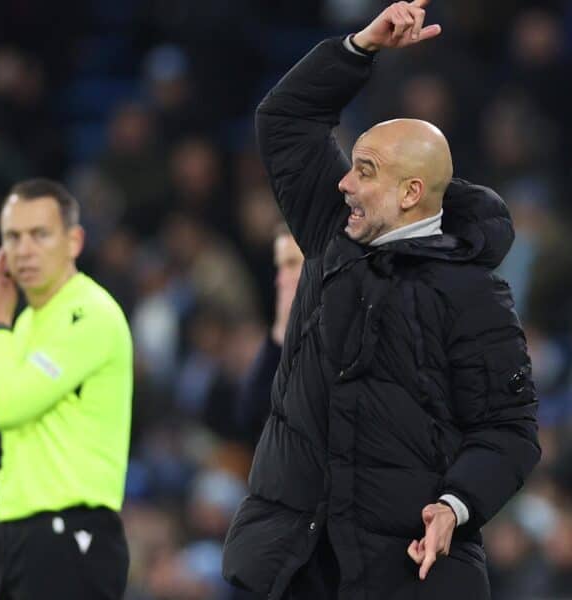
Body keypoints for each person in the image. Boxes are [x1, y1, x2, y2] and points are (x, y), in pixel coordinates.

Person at [222, 2, 541, 598]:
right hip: (292, 563)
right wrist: (357, 49)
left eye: (364, 170)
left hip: (400, 572)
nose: (345, 181)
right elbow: (286, 117)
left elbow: (509, 429)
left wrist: (456, 505)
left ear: (410, 193)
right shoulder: (329, 229)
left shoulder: (475, 295)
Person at [0, 178, 132, 599]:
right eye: (12, 236)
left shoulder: (88, 314)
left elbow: (2, 407)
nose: (24, 249)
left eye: (39, 234)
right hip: (22, 534)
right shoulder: (25, 322)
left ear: (74, 241)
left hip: (69, 532)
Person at [234, 225, 305, 447]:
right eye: (279, 267)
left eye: (291, 264)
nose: (280, 280)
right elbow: (248, 415)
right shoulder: (284, 338)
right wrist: (281, 330)